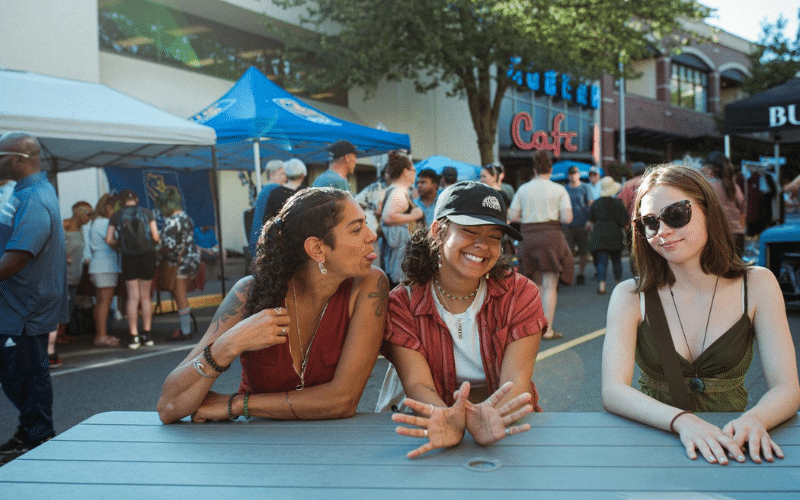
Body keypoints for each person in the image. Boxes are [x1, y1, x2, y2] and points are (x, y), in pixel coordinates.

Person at [602, 164, 800, 465]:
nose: (663, 231)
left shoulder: (758, 284)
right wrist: (684, 421)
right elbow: (614, 390)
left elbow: (787, 388)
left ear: (709, 211)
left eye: (676, 214)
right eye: (650, 222)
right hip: (654, 446)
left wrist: (756, 419)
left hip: (734, 448)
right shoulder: (630, 296)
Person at [157, 188, 387, 424]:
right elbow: (168, 406)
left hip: (333, 449)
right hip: (258, 446)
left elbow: (342, 400)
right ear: (317, 249)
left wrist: (238, 404)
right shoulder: (249, 293)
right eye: (357, 229)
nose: (372, 235)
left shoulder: (368, 285)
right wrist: (228, 345)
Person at [378, 181, 546, 459]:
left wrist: (489, 416)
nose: (482, 246)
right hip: (429, 422)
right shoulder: (403, 302)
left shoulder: (520, 293)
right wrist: (449, 418)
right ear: (438, 231)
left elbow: (515, 381)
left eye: (494, 236)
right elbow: (417, 384)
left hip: (502, 424)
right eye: (469, 231)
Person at [0, 132, 68, 458]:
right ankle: (32, 431)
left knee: (25, 374)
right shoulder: (26, 192)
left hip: (25, 308)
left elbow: (18, 257)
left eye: (1, 156)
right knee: (20, 373)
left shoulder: (34, 199)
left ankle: (39, 436)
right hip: (17, 305)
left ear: (19, 159)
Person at [508, 150, 573, 340]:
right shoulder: (559, 190)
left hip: (528, 236)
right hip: (552, 236)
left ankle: (533, 324)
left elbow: (513, 217)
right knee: (550, 285)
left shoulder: (523, 189)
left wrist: (528, 216)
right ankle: (548, 330)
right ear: (550, 169)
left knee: (534, 283)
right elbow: (567, 218)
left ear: (534, 170)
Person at [106, 189, 159, 349]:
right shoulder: (147, 212)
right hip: (147, 256)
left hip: (128, 257)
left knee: (132, 297)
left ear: (120, 202)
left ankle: (133, 336)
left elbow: (109, 239)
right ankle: (147, 334)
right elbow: (155, 236)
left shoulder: (116, 215)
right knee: (145, 297)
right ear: (136, 199)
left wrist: (119, 246)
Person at [155, 187, 202, 342]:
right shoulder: (186, 217)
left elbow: (168, 246)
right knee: (181, 295)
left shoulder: (171, 221)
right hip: (191, 261)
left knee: (180, 296)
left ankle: (185, 330)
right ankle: (185, 328)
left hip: (178, 263)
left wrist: (157, 252)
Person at [379, 151, 425, 288]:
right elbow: (388, 217)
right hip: (399, 264)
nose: (415, 172)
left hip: (396, 259)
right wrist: (415, 215)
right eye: (413, 169)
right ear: (405, 171)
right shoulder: (399, 192)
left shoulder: (394, 190)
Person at [87, 194, 122, 348]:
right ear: (109, 208)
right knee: (105, 302)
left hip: (98, 266)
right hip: (105, 266)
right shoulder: (105, 223)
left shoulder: (96, 222)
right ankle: (101, 336)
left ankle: (100, 334)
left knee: (100, 301)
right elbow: (116, 240)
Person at [588, 176, 628, 294]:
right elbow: (623, 221)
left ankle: (602, 286)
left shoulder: (595, 204)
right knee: (617, 261)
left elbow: (590, 222)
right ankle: (618, 284)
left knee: (601, 262)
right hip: (615, 235)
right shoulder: (618, 203)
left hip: (599, 235)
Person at [702, 152, 745, 258]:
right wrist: (741, 226)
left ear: (712, 168)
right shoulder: (733, 186)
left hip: (720, 234)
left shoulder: (710, 187)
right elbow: (743, 208)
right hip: (738, 233)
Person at [249, 159, 286, 260]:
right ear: (272, 174)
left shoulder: (265, 189)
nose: (285, 177)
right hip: (266, 241)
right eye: (282, 173)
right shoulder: (274, 189)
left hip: (257, 239)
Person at [563, 165, 593, 285]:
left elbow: (591, 205)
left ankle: (581, 274)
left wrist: (590, 220)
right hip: (567, 225)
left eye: (575, 173)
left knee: (583, 252)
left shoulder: (585, 187)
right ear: (568, 176)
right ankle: (568, 275)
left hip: (582, 224)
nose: (573, 175)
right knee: (567, 253)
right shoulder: (565, 189)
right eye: (571, 173)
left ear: (579, 175)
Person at [354, 169, 389, 264]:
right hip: (373, 230)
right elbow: (378, 210)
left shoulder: (378, 186)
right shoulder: (379, 188)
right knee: (373, 262)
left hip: (371, 229)